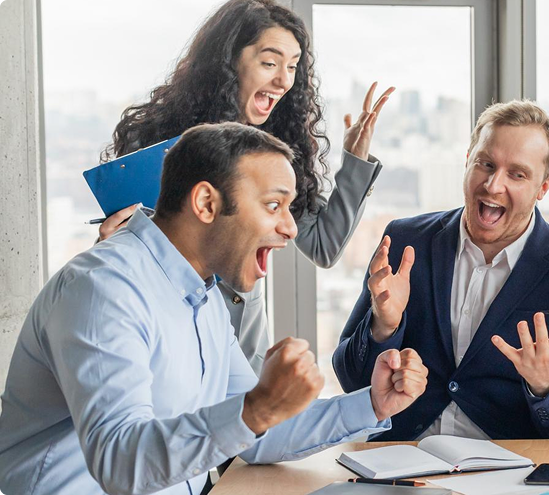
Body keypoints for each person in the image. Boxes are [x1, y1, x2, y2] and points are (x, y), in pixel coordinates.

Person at [0, 123, 427, 495]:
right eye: (274, 205)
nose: (291, 228)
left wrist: (373, 403)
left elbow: (256, 432)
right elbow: (119, 461)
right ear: (206, 203)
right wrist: (256, 408)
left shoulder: (204, 299)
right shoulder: (104, 288)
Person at [97, 0, 394, 373]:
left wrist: (355, 159)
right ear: (228, 62)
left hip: (243, 341)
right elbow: (130, 250)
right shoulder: (152, 142)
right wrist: (110, 248)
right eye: (270, 63)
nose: (285, 80)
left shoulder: (274, 151)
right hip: (168, 334)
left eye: (292, 66)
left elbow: (323, 245)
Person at [333, 100, 549, 441]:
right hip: (399, 462)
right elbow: (350, 379)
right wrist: (383, 327)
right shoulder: (404, 241)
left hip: (506, 473)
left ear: (544, 188)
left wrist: (548, 384)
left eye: (517, 174)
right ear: (467, 161)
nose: (493, 185)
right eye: (486, 164)